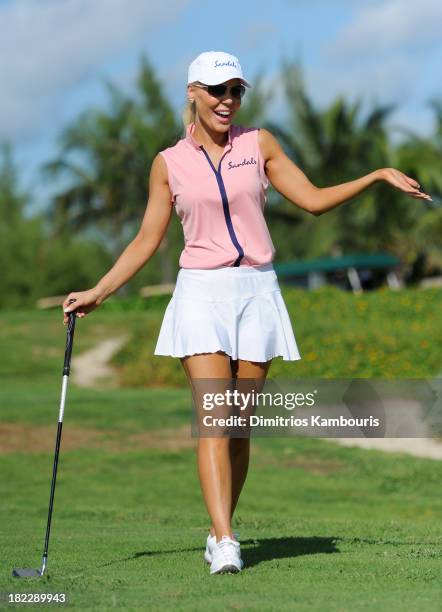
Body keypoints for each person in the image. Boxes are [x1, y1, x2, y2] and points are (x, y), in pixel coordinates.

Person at [62, 50, 432, 575]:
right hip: (201, 294)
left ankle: (219, 528)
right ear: (193, 92)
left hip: (256, 291)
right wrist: (100, 290)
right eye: (216, 91)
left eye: (235, 91)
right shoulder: (169, 164)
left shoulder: (259, 144)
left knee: (239, 426)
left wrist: (374, 176)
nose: (227, 101)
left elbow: (313, 200)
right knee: (214, 420)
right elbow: (148, 238)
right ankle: (227, 539)